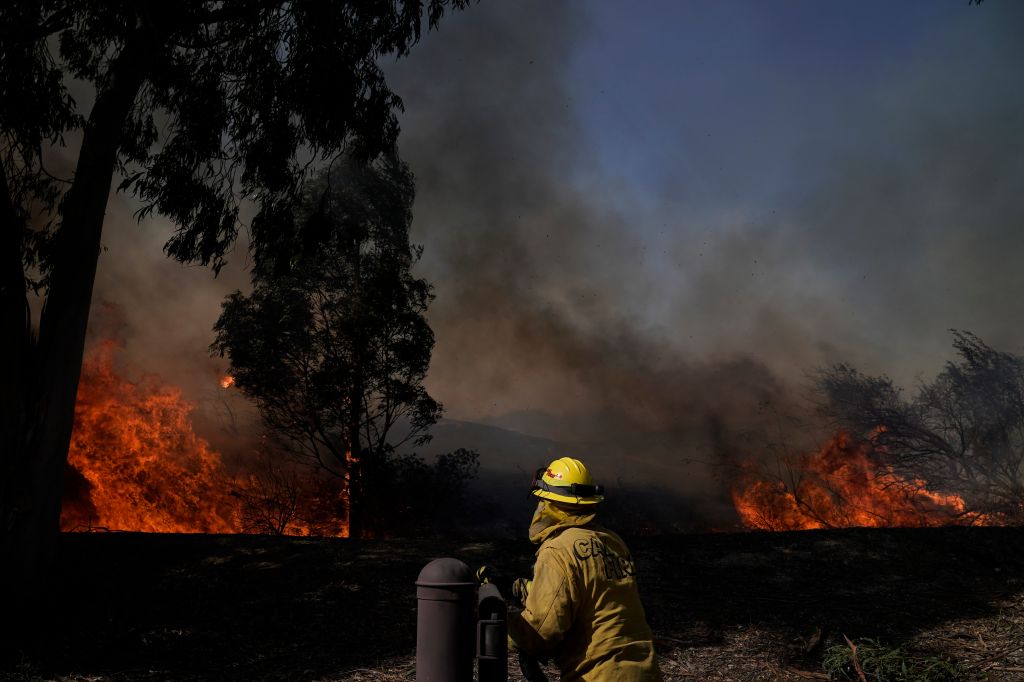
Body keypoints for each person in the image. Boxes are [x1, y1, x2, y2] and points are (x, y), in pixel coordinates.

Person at [507, 457, 662, 681]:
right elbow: (593, 593)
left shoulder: (558, 550)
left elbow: (540, 632)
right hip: (646, 672)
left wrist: (497, 629)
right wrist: (524, 589)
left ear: (548, 503)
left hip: (598, 675)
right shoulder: (613, 541)